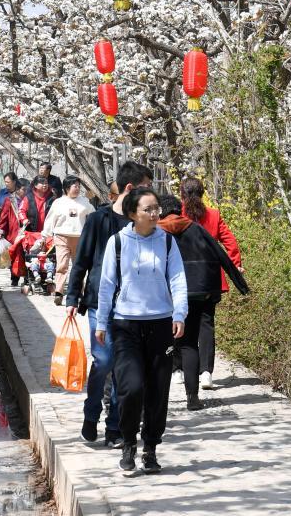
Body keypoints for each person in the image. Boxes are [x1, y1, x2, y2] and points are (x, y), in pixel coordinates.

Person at [96, 187, 187, 476]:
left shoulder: (167, 242)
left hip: (161, 324)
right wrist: (101, 322)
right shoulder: (118, 242)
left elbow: (178, 280)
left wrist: (180, 314)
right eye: (148, 209)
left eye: (156, 208)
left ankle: (150, 448)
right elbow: (106, 285)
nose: (155, 213)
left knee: (158, 390)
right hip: (126, 324)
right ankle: (128, 445)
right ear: (133, 213)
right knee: (131, 387)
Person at [66, 161, 153, 449]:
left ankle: (115, 426)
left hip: (131, 306)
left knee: (122, 367)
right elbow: (82, 261)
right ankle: (91, 414)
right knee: (104, 361)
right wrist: (72, 297)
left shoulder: (141, 225)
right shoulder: (98, 220)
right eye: (145, 188)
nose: (150, 194)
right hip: (98, 303)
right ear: (130, 188)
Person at [158, 196, 249, 410]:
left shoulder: (156, 233)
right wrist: (241, 284)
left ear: (161, 211)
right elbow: (220, 254)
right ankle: (193, 398)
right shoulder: (196, 229)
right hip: (199, 291)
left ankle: (157, 401)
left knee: (164, 344)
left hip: (167, 294)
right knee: (190, 343)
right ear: (179, 210)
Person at [180, 177, 242, 389]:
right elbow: (230, 241)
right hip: (210, 278)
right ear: (203, 193)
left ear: (182, 194)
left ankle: (181, 369)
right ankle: (206, 372)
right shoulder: (213, 215)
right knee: (206, 323)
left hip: (184, 278)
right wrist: (235, 264)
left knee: (182, 321)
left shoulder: (178, 215)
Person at [43, 176, 93, 306]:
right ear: (66, 188)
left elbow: (93, 215)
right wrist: (45, 235)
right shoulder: (58, 203)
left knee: (78, 266)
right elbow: (50, 219)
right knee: (62, 265)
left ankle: (79, 292)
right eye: (74, 186)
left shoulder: (84, 202)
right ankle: (59, 292)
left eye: (78, 186)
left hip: (79, 238)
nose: (77, 188)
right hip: (61, 236)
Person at [0, 178, 28, 286]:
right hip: (13, 232)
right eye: (24, 190)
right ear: (18, 189)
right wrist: (1, 229)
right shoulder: (9, 200)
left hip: (26, 232)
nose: (26, 192)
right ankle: (14, 278)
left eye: (27, 190)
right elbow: (4, 216)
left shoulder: (28, 200)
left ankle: (27, 278)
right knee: (14, 256)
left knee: (25, 256)